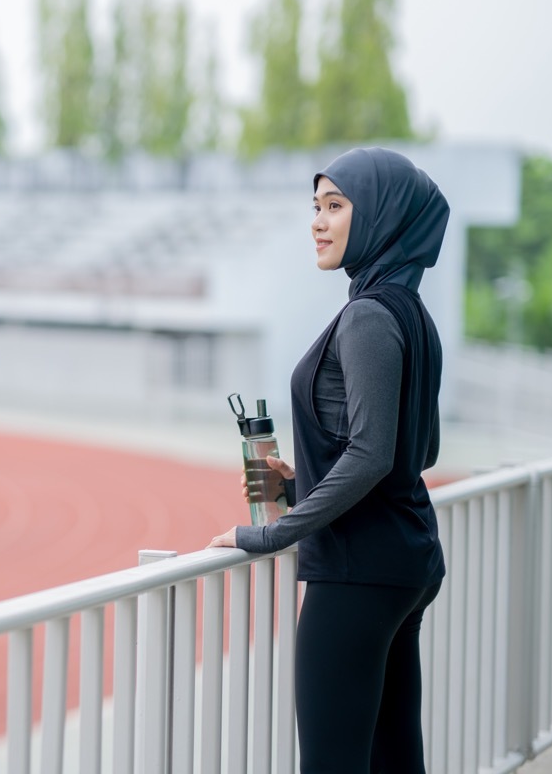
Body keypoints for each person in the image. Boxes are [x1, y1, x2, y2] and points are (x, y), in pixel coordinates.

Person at [207, 147, 448, 773]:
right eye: (315, 206)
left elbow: (372, 455)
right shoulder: (411, 313)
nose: (317, 221)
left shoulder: (367, 316)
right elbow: (420, 450)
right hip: (405, 562)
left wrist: (270, 533)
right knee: (395, 758)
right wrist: (301, 479)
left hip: (358, 571)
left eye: (336, 206)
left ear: (382, 217)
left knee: (332, 763)